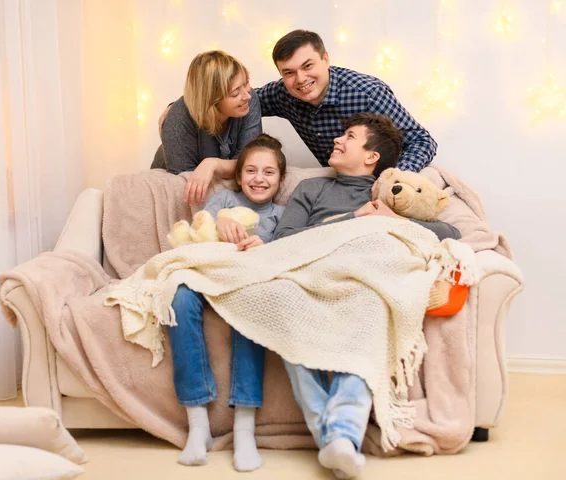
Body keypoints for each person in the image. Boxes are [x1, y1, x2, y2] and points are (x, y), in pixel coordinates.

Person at [272, 112, 459, 479]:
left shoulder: (390, 194)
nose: (338, 140)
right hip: (312, 276)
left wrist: (392, 219)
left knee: (372, 310)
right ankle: (339, 439)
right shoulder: (313, 190)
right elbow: (282, 241)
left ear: (372, 156)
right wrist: (354, 218)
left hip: (365, 283)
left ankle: (337, 439)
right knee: (284, 306)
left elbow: (451, 231)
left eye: (350, 136)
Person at [167, 134, 286, 472]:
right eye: (250, 170)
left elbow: (287, 252)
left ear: (280, 180)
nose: (258, 179)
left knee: (251, 307)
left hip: (247, 281)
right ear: (238, 176)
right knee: (177, 299)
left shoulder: (281, 215)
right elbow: (198, 233)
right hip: (209, 273)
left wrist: (265, 244)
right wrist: (218, 220)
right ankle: (198, 425)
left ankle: (244, 429)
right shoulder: (221, 201)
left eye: (268, 173)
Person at [255, 29, 437, 172]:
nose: (301, 79)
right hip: (341, 185)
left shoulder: (367, 93)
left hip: (383, 181)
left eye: (308, 66)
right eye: (289, 72)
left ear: (325, 59)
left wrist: (391, 181)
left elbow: (422, 141)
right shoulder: (283, 93)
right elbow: (243, 100)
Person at [152, 50, 262, 206]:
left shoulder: (250, 101)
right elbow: (184, 186)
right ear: (211, 100)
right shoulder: (178, 121)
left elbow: (254, 161)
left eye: (246, 83)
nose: (247, 96)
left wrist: (213, 164)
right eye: (235, 93)